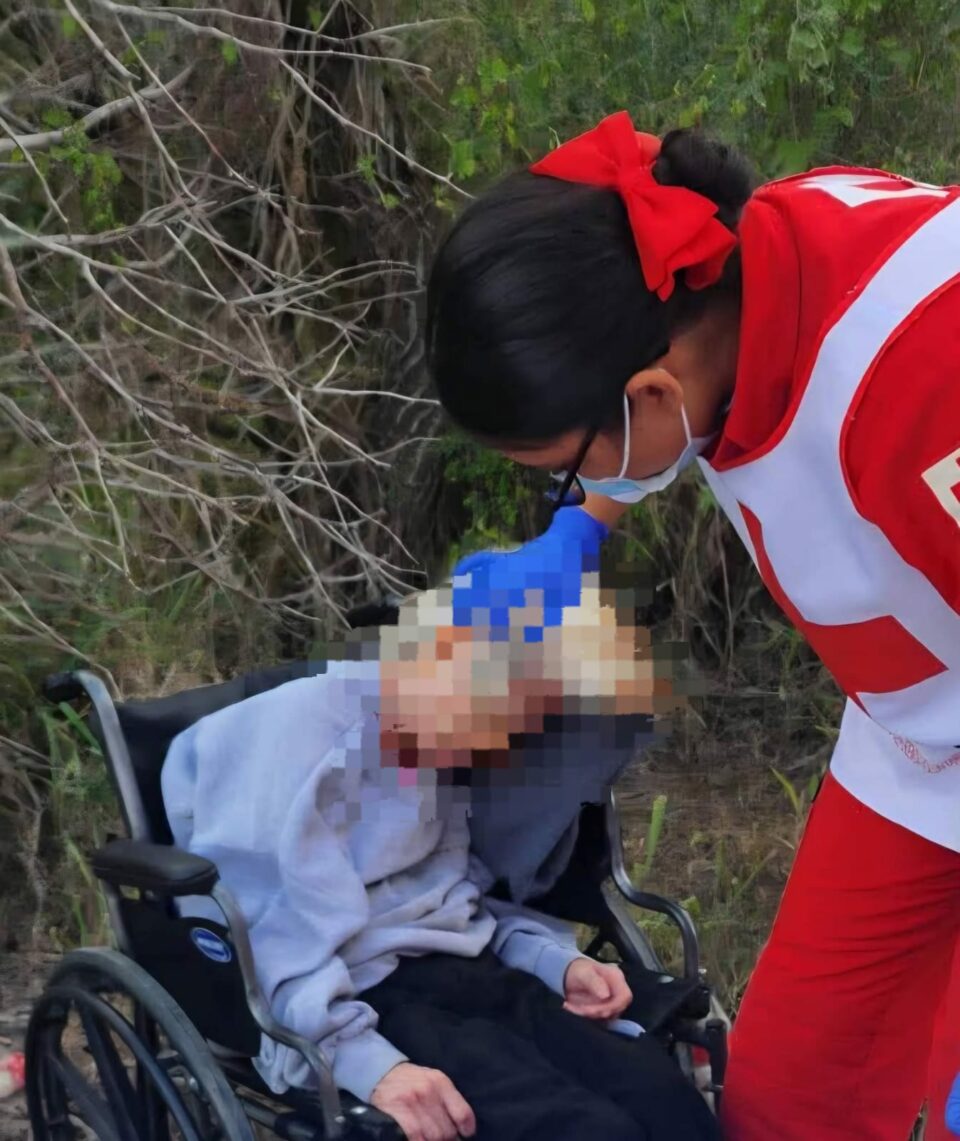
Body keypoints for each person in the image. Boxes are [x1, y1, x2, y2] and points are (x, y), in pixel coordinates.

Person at [426, 109, 960, 1141]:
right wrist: (579, 531)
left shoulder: (914, 397)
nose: (568, 492)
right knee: (794, 1097)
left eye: (562, 476)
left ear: (649, 391)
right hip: (920, 727)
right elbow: (655, 417)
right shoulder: (721, 273)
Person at [161, 578, 717, 1141]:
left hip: (470, 970)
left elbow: (459, 897)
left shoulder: (445, 743)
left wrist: (556, 963)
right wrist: (368, 1064)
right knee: (583, 1130)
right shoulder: (295, 736)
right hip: (358, 994)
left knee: (659, 1093)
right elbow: (261, 935)